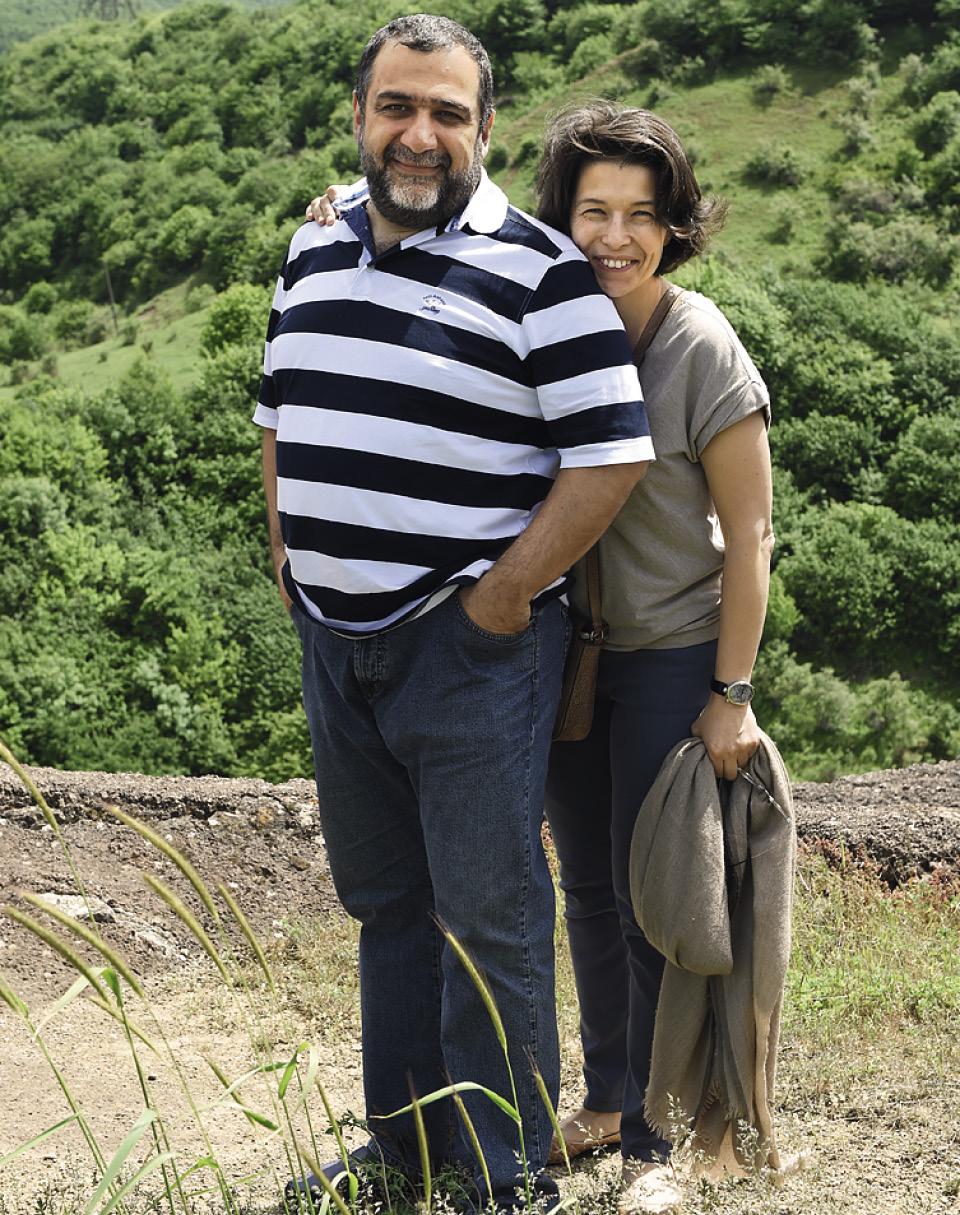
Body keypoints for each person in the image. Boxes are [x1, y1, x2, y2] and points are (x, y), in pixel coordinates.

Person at [307, 98, 773, 1213]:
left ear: (674, 226)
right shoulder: (537, 307)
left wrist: (732, 691)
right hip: (563, 650)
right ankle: (610, 1102)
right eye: (593, 211)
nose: (616, 236)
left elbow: (751, 532)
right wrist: (341, 204)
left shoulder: (697, 343)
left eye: (642, 215)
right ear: (559, 217)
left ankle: (666, 1141)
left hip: (668, 650)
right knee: (592, 891)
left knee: (663, 894)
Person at [257, 18, 655, 1214]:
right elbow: (280, 412)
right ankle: (405, 1148)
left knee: (489, 915)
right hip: (337, 640)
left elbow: (611, 457)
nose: (417, 134)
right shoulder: (312, 245)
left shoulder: (542, 272)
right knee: (387, 906)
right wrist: (289, 557)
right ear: (361, 118)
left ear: (486, 127)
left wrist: (500, 598)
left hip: (468, 648)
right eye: (396, 107)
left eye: (445, 112)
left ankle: (502, 1177)